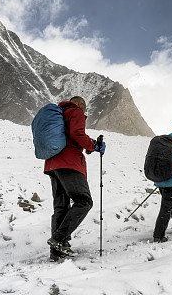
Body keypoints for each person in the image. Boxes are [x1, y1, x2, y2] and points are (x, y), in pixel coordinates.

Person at [43, 96, 105, 261]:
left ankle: (57, 251)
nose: (85, 111)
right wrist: (94, 146)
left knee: (60, 207)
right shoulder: (75, 111)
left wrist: (89, 145)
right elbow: (76, 133)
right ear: (81, 104)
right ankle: (58, 239)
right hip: (69, 164)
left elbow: (71, 136)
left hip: (52, 164)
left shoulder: (60, 115)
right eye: (85, 107)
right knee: (84, 201)